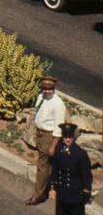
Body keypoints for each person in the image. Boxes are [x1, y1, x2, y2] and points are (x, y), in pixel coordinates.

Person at [27, 76, 68, 205]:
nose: (47, 91)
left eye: (50, 89)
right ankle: (51, 188)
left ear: (54, 89)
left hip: (49, 136)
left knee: (42, 166)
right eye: (45, 88)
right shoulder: (41, 97)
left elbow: (59, 127)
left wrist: (52, 145)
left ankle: (38, 195)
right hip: (40, 134)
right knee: (48, 164)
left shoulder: (58, 104)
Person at [49, 122, 92, 214]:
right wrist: (53, 188)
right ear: (62, 137)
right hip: (62, 193)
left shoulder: (80, 154)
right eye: (65, 137)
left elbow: (86, 175)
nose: (68, 139)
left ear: (73, 137)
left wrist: (87, 191)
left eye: (70, 137)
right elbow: (55, 170)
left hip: (75, 195)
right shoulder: (59, 150)